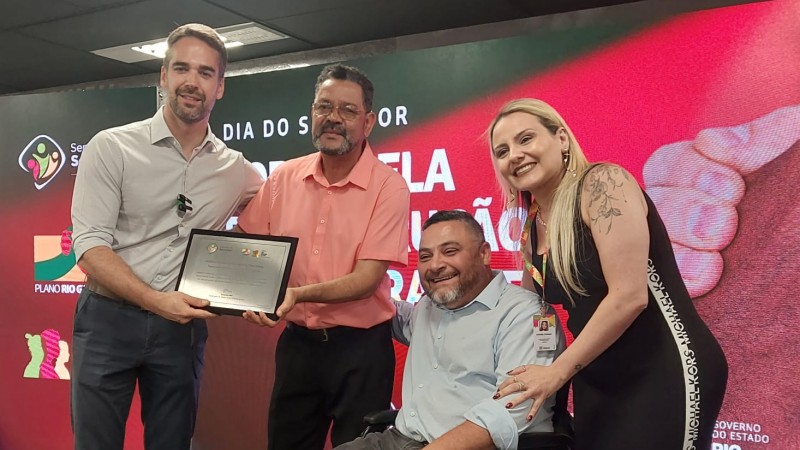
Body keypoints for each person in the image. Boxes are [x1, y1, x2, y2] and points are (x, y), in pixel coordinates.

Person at [488, 98, 728, 450]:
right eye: (502, 150)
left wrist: (556, 373)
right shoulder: (531, 230)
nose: (515, 155)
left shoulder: (603, 183)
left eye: (526, 139)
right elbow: (534, 315)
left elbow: (629, 296)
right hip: (595, 378)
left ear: (562, 140)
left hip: (663, 369)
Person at [70, 23, 263, 450]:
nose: (192, 82)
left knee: (173, 443)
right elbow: (88, 245)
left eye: (205, 73)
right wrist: (157, 301)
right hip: (107, 321)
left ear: (220, 87)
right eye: (181, 69)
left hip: (182, 331)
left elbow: (276, 216)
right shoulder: (111, 147)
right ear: (163, 76)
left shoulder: (237, 170)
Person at [235, 63, 410, 449]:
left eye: (348, 110)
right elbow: (252, 246)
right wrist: (244, 290)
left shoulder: (389, 187)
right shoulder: (284, 177)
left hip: (361, 351)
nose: (333, 118)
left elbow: (366, 280)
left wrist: (296, 294)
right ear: (312, 114)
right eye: (323, 107)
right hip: (298, 347)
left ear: (368, 122)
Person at [335, 210, 565, 450]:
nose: (435, 265)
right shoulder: (428, 306)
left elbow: (512, 408)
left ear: (484, 253)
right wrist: (354, 284)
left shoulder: (529, 314)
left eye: (450, 251)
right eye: (425, 256)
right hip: (400, 440)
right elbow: (390, 313)